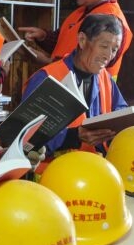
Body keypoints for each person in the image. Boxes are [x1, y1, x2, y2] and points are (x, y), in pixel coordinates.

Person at [22, 15, 128, 164]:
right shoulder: (46, 77)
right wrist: (73, 136)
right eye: (104, 46)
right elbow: (25, 139)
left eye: (114, 49)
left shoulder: (105, 78)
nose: (108, 56)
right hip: (51, 172)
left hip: (93, 167)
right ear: (82, 40)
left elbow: (121, 111)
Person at [18, 0, 133, 79]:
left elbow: (91, 65)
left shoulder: (112, 20)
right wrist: (43, 36)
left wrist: (47, 61)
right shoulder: (82, 11)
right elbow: (62, 43)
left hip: (87, 89)